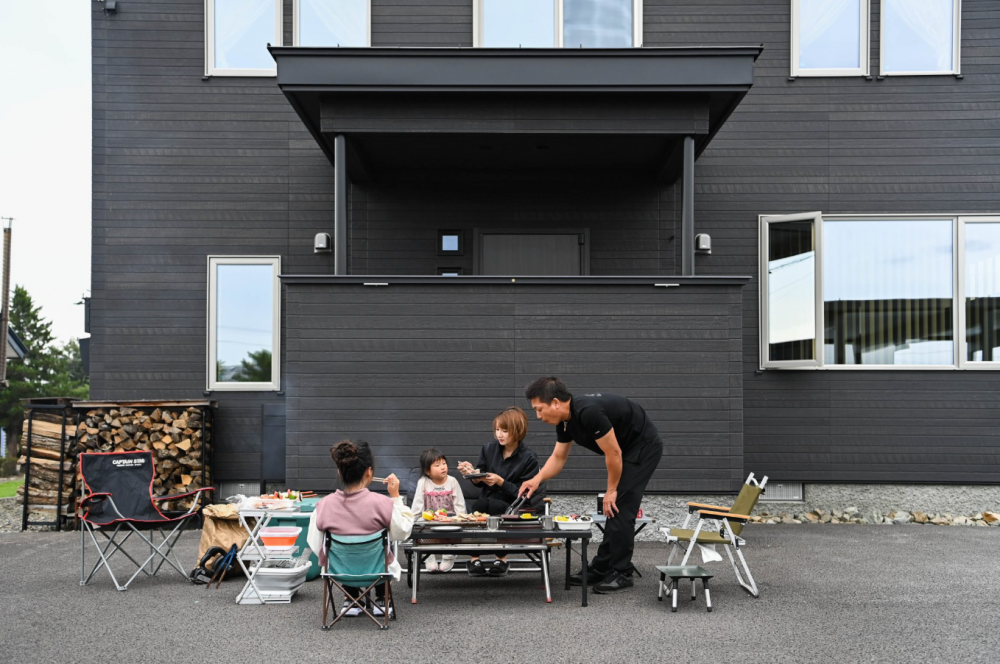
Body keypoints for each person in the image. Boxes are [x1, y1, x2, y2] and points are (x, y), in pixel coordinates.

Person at [519, 377, 663, 594]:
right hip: (624, 450)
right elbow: (558, 457)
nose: (538, 416)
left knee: (620, 506)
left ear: (556, 403)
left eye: (539, 409)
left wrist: (612, 490)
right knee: (613, 509)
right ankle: (602, 567)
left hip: (643, 446)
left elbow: (613, 453)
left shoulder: (588, 412)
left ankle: (622, 572)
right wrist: (536, 479)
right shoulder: (565, 422)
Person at [307, 440, 413, 617]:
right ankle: (382, 598)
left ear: (339, 471)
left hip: (339, 573)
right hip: (378, 572)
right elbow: (403, 531)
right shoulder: (382, 504)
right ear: (369, 471)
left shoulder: (323, 506)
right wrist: (395, 497)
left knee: (342, 552)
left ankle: (351, 598)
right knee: (383, 548)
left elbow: (316, 544)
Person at [457, 406, 540, 577]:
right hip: (486, 500)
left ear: (517, 430)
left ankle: (501, 558)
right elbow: (479, 479)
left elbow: (525, 494)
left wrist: (501, 482)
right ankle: (474, 558)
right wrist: (473, 474)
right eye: (497, 430)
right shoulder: (488, 449)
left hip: (511, 506)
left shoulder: (529, 458)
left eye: (504, 431)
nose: (499, 435)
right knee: (480, 505)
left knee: (494, 506)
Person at [410, 448, 466, 573]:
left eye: (444, 463)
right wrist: (414, 521)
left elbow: (460, 504)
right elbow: (418, 504)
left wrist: (461, 519)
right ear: (427, 471)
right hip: (430, 519)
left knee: (453, 529)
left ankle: (449, 554)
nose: (443, 467)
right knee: (421, 526)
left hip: (449, 518)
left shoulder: (452, 481)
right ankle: (428, 555)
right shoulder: (423, 482)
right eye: (437, 465)